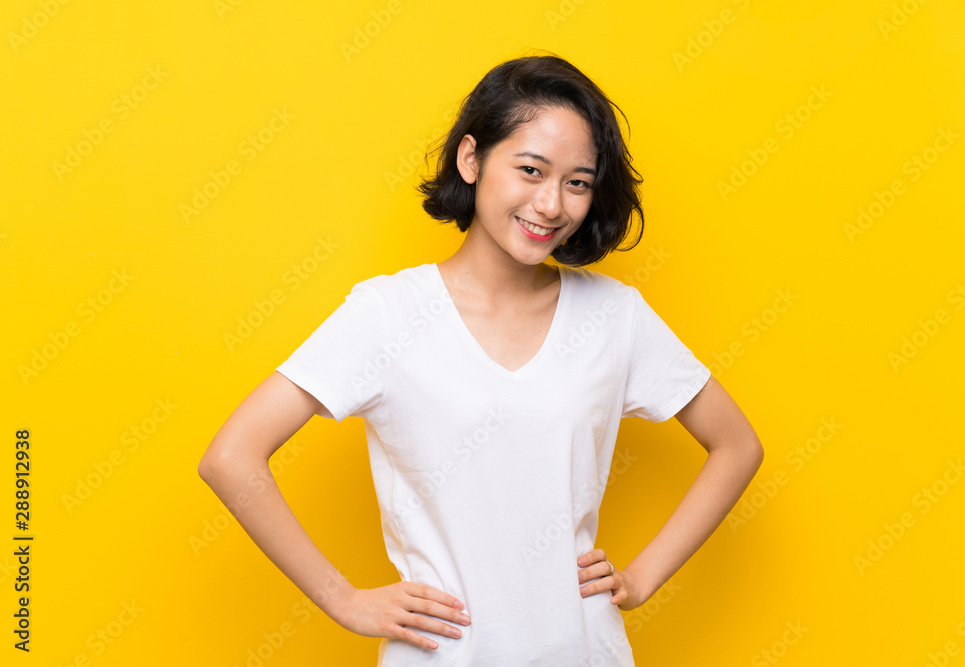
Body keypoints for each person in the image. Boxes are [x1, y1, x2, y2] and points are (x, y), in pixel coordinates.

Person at [198, 53, 764, 666]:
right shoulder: (388, 313)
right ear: (471, 159)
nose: (551, 204)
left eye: (577, 182)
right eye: (530, 169)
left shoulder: (613, 316)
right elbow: (231, 457)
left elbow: (737, 445)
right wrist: (343, 599)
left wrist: (643, 575)